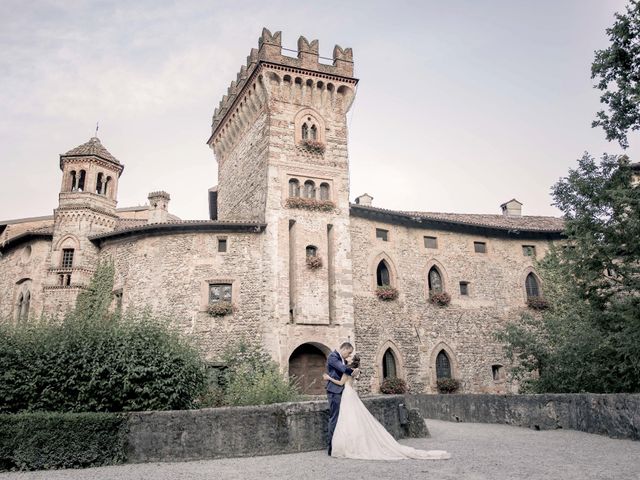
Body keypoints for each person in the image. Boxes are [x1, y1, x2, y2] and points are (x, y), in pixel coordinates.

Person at [323, 354, 451, 461]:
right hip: (352, 394)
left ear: (350, 362)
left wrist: (328, 377)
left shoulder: (347, 371)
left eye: (349, 358)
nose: (347, 359)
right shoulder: (355, 371)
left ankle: (349, 445)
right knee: (354, 418)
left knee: (347, 419)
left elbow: (340, 382)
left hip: (346, 394)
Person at [325, 342, 360, 456]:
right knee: (334, 418)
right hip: (334, 392)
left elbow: (344, 372)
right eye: (349, 353)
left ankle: (341, 445)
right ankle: (331, 447)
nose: (349, 356)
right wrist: (353, 371)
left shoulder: (343, 360)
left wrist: (354, 371)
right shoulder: (333, 357)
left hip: (342, 391)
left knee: (342, 419)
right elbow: (342, 368)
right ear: (344, 349)